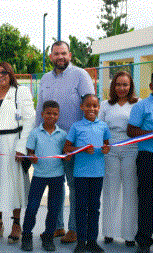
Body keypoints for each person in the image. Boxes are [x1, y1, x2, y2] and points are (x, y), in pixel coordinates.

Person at [35, 41, 96, 243]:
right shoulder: (45, 78)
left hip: (72, 142)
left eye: (63, 53)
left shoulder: (81, 76)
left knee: (74, 186)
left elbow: (90, 107)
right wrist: (37, 137)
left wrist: (86, 138)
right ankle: (57, 226)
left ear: (70, 55)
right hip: (49, 142)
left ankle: (74, 228)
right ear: (51, 56)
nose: (60, 57)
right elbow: (39, 111)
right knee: (55, 186)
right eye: (56, 53)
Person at [0, 62, 34, 243]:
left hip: (12, 144)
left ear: (10, 73)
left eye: (4, 72)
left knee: (14, 185)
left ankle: (16, 224)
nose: (0, 76)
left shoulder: (21, 92)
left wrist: (22, 147)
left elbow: (29, 120)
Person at [64, 94, 111, 253]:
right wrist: (81, 149)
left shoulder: (103, 126)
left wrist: (106, 149)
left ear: (99, 108)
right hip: (81, 174)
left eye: (95, 106)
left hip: (98, 173)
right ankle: (81, 241)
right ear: (82, 107)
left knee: (94, 207)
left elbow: (106, 145)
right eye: (88, 106)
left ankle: (92, 241)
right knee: (81, 207)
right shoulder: (76, 127)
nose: (92, 109)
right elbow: (67, 148)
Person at [98, 71, 138, 246]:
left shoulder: (138, 104)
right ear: (113, 86)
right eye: (118, 84)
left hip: (131, 149)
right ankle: (108, 232)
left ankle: (129, 235)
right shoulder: (105, 105)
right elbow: (99, 128)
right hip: (111, 150)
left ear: (130, 86)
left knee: (130, 191)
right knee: (110, 190)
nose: (121, 88)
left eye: (125, 85)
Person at [21, 100, 66, 252]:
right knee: (32, 207)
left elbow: (66, 153)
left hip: (57, 176)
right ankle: (26, 236)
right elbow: (30, 152)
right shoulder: (35, 133)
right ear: (42, 114)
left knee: (53, 208)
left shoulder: (62, 134)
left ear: (58, 116)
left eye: (55, 114)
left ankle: (48, 237)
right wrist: (31, 157)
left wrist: (67, 156)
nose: (51, 116)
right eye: (48, 113)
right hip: (39, 176)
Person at [127, 78, 153, 253]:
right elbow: (131, 131)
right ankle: (143, 241)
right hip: (146, 157)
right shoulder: (141, 106)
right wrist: (151, 133)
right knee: (146, 200)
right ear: (150, 86)